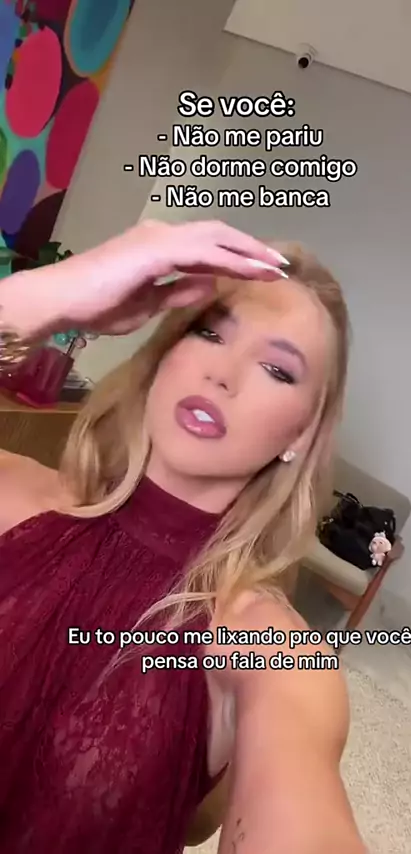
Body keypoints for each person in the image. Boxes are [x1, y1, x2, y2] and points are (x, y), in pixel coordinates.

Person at [0, 219, 366, 853]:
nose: (224, 373)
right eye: (209, 331)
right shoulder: (13, 494)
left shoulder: (271, 651)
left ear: (301, 435)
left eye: (277, 370)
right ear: (166, 350)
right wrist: (50, 295)